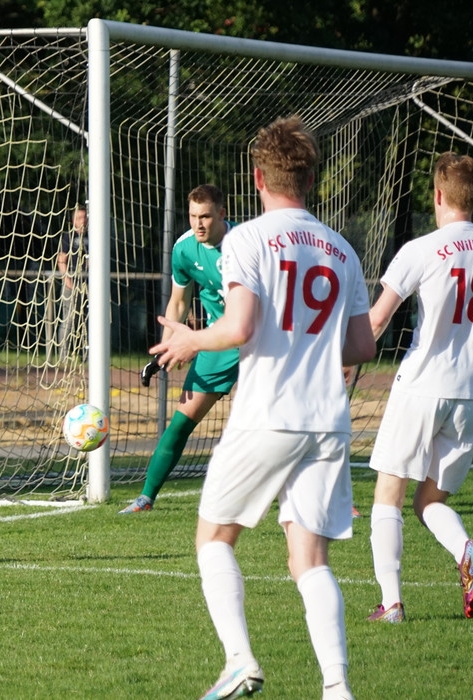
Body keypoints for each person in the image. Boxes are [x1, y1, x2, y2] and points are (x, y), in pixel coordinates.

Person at [151, 115, 375, 700]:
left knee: (214, 538)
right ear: (311, 179)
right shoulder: (342, 248)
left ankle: (240, 662)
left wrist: (189, 340)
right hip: (328, 420)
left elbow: (239, 327)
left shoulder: (246, 239)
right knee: (310, 560)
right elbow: (361, 347)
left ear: (257, 178)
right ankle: (337, 687)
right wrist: (310, 345)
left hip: (269, 412)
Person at [366, 152, 473, 623]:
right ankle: (467, 549)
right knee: (429, 500)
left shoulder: (421, 249)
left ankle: (392, 603)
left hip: (423, 385)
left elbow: (378, 321)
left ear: (437, 195)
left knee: (389, 493)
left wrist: (336, 360)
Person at [120, 184, 239, 514]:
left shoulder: (245, 244)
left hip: (261, 343)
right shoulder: (185, 248)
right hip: (217, 343)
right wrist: (166, 348)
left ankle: (332, 499)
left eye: (206, 216)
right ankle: (145, 499)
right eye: (193, 216)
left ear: (222, 214)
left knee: (286, 422)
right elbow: (178, 301)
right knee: (182, 421)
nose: (198, 224)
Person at [56, 205, 89, 356]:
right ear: (73, 221)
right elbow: (61, 260)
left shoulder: (93, 236)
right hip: (72, 284)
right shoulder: (67, 237)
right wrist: (67, 280)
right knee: (69, 320)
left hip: (89, 285)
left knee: (88, 321)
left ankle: (87, 356)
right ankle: (63, 356)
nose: (83, 221)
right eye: (79, 218)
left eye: (84, 217)